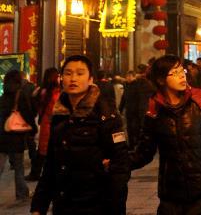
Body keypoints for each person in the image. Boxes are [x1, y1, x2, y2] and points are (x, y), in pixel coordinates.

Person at [30, 55, 130, 215]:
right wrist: (38, 206)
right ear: (61, 79)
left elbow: (120, 164)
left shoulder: (105, 113)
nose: (73, 78)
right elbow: (51, 165)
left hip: (96, 204)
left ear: (91, 79)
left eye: (80, 73)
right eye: (68, 73)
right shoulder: (59, 114)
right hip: (64, 204)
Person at [131, 54, 201, 214]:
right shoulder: (154, 110)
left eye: (181, 70)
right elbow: (144, 152)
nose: (182, 75)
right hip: (170, 193)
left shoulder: (200, 102)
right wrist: (118, 163)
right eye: (174, 73)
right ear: (161, 80)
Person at [0, 69, 37, 204]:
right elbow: (27, 113)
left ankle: (22, 193)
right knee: (18, 167)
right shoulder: (19, 95)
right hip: (16, 136)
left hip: (2, 135)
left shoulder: (3, 96)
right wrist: (33, 128)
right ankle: (22, 194)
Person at [26, 67, 61, 181]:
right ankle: (42, 174)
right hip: (51, 124)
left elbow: (35, 104)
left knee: (43, 150)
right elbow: (53, 110)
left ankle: (36, 173)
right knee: (46, 150)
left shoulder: (43, 90)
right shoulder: (55, 92)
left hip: (46, 123)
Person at [119, 64, 154, 149]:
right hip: (129, 110)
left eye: (130, 76)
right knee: (129, 128)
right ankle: (131, 145)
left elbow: (141, 98)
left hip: (136, 111)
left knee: (136, 128)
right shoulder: (126, 85)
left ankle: (137, 144)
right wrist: (120, 108)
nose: (128, 78)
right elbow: (124, 97)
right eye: (127, 76)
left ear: (134, 77)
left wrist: (140, 110)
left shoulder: (138, 85)